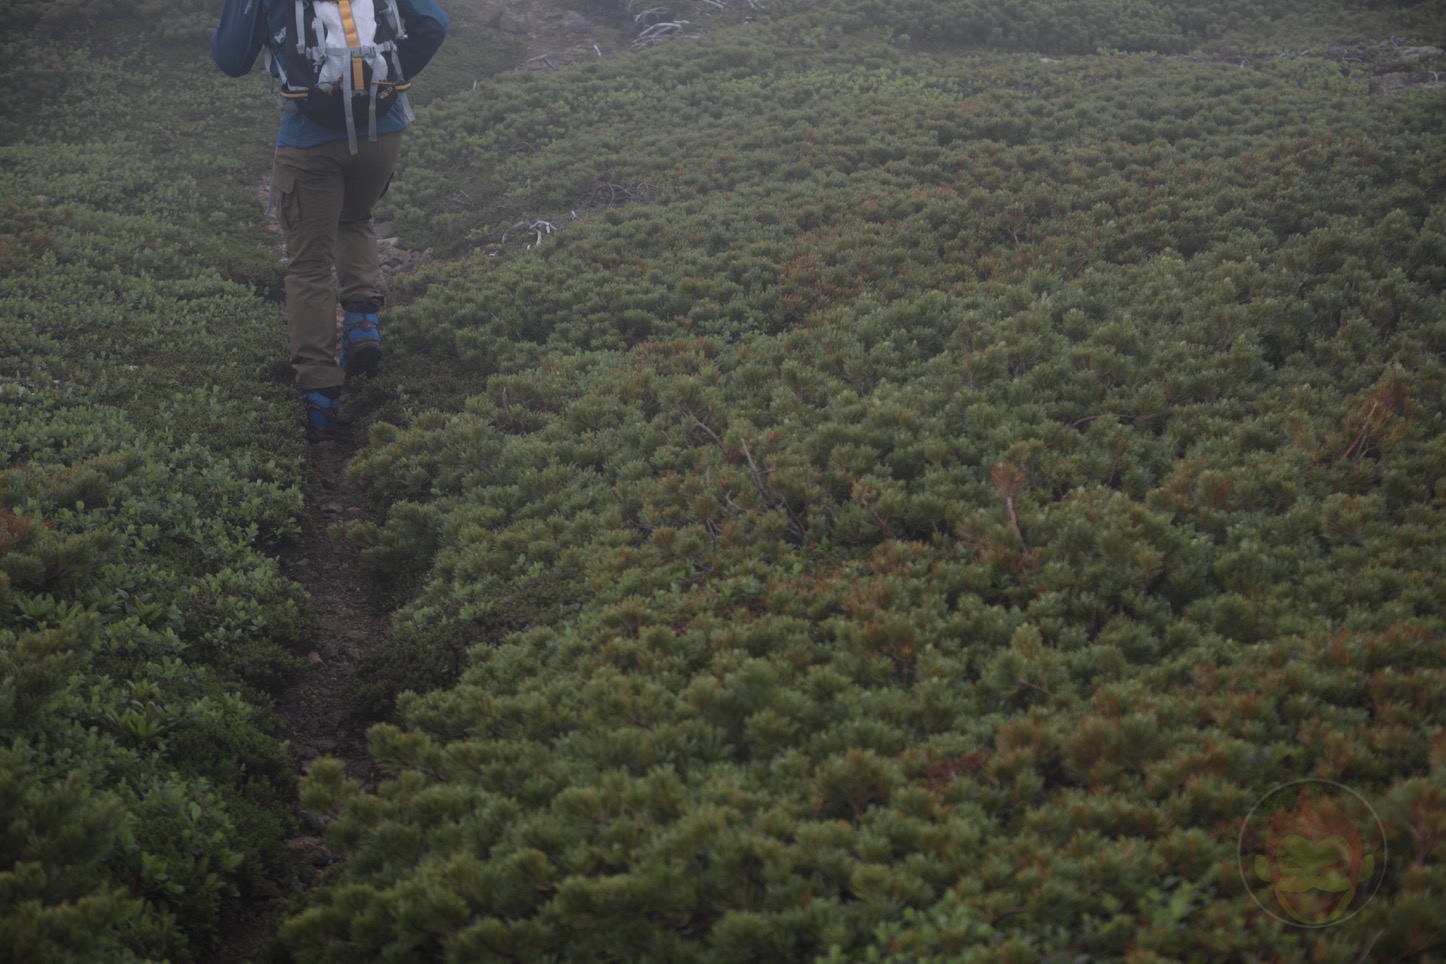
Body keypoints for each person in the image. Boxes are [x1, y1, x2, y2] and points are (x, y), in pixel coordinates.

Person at [211, 0, 449, 440]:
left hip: (309, 139)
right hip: (382, 130)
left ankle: (321, 399)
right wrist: (385, 84)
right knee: (355, 217)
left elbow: (230, 59)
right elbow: (434, 23)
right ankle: (362, 323)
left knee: (309, 267)